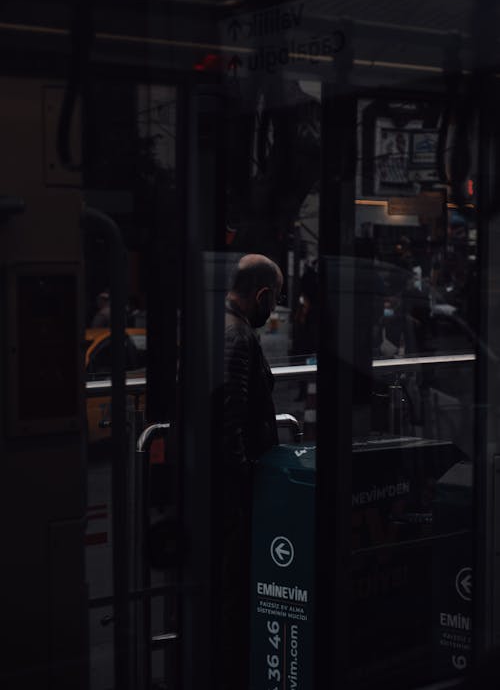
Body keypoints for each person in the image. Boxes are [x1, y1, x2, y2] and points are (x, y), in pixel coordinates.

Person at [218, 253, 283, 690]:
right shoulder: (238, 338)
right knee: (234, 599)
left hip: (231, 494)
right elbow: (231, 422)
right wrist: (247, 490)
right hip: (237, 499)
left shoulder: (222, 327)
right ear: (260, 295)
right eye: (273, 300)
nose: (273, 309)